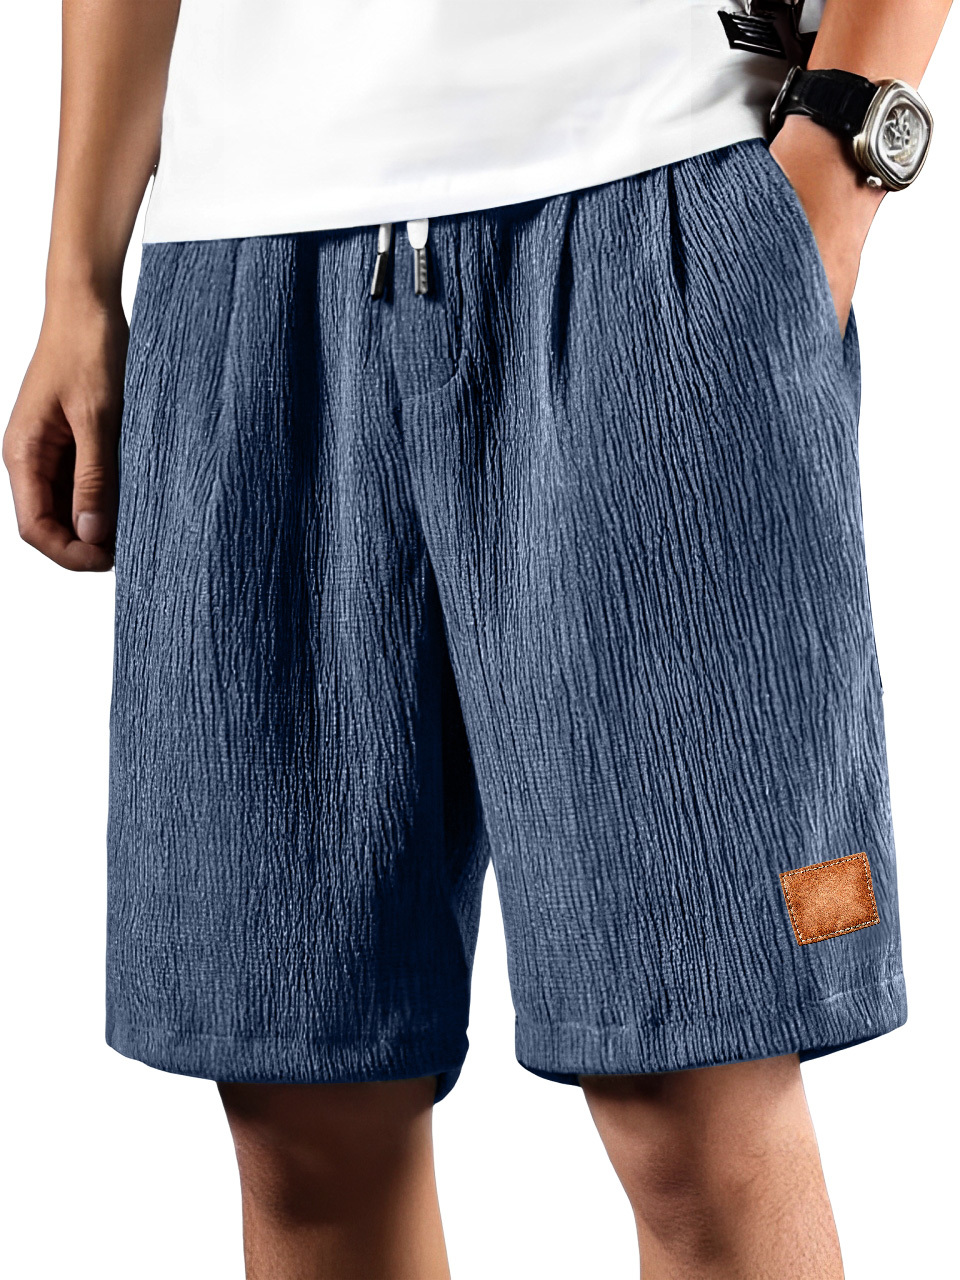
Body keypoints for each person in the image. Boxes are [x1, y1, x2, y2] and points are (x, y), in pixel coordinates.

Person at [3, 2, 952, 1276]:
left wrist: (838, 153)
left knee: (693, 1097)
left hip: (645, 202)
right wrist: (75, 273)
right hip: (237, 260)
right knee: (301, 1117)